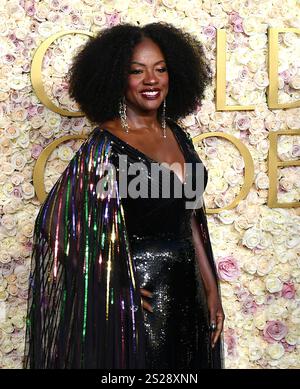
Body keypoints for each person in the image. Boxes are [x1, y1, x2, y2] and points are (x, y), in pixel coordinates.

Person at [24, 22, 224, 369]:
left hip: (187, 291)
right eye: (137, 71)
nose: (152, 80)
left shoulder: (177, 134)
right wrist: (111, 284)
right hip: (138, 301)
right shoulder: (105, 148)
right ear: (118, 78)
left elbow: (190, 215)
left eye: (160, 69)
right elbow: (55, 227)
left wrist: (211, 290)